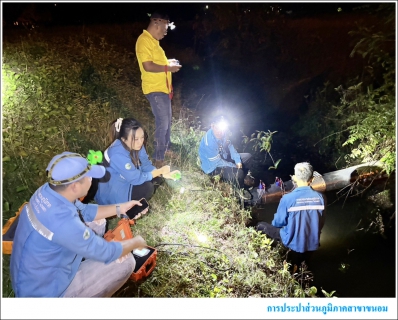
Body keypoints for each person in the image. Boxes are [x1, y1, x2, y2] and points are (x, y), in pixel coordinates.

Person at [10, 152, 148, 297]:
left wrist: (120, 208)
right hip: (46, 293)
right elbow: (107, 252)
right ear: (75, 187)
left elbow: (84, 211)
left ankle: (83, 258)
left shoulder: (47, 191)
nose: (92, 179)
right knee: (126, 263)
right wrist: (135, 242)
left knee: (98, 222)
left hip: (29, 278)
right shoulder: (63, 223)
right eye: (88, 177)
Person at [94, 118, 172, 216]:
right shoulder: (117, 153)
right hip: (112, 191)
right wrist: (156, 173)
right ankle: (126, 210)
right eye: (136, 139)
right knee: (147, 188)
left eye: (142, 137)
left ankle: (134, 202)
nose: (140, 142)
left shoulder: (137, 145)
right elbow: (136, 179)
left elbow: (146, 164)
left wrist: (161, 173)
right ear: (123, 139)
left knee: (158, 178)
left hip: (127, 179)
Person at [256, 162, 325, 269]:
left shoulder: (287, 198)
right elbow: (321, 223)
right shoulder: (321, 198)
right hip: (312, 244)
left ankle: (273, 258)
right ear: (311, 179)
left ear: (295, 178)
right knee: (304, 266)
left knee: (261, 226)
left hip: (292, 244)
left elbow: (277, 223)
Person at [135, 11, 182, 168]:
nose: (166, 31)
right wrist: (168, 67)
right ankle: (158, 158)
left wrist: (168, 61)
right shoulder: (143, 41)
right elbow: (147, 66)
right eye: (165, 27)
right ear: (156, 23)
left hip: (163, 89)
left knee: (167, 121)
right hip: (154, 89)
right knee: (162, 123)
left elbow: (156, 61)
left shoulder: (154, 42)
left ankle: (166, 148)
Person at [198, 115, 252, 189]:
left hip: (223, 157)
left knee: (248, 156)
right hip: (213, 167)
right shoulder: (209, 142)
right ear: (212, 126)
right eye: (217, 128)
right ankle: (239, 191)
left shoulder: (223, 133)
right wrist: (235, 166)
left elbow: (230, 145)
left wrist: (238, 161)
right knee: (239, 173)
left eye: (222, 129)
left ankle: (243, 179)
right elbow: (218, 162)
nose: (220, 132)